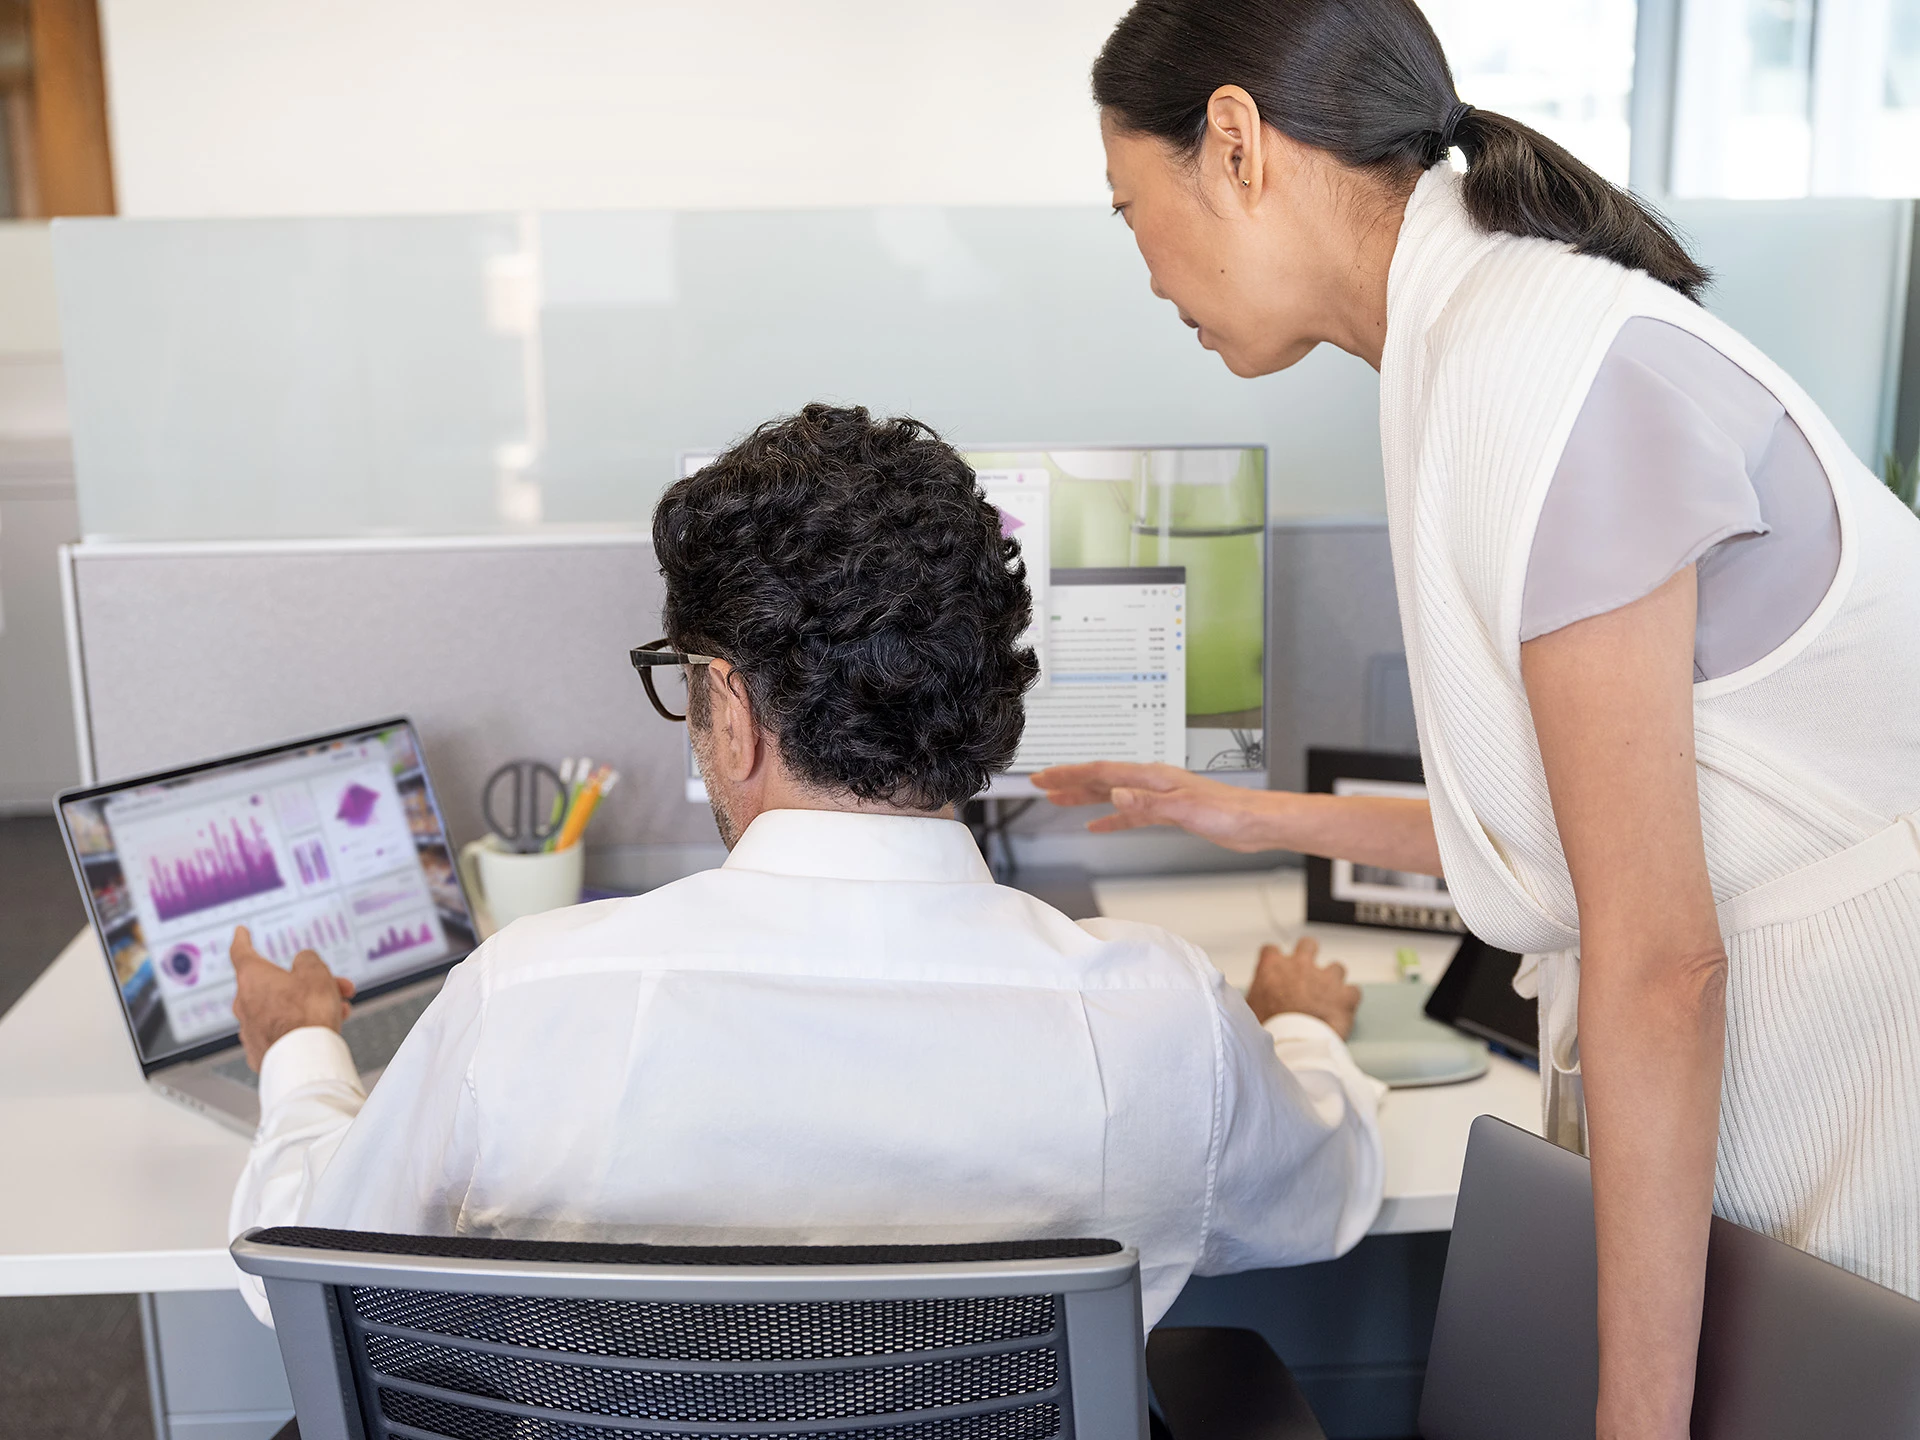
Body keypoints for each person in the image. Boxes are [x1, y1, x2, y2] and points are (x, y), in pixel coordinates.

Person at [1037, 2, 1920, 1434]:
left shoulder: (1536, 365)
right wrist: (1233, 812)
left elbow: (1659, 964)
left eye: (1132, 209)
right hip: (1778, 1055)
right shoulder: (1477, 336)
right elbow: (1589, 819)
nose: (1147, 273)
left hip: (1861, 1075)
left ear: (1239, 143)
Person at [227, 402, 1385, 1326]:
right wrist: (1299, 1032)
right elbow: (1316, 1203)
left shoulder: (529, 1002)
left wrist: (303, 1057)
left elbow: (298, 1269)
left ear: (731, 711)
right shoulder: (1160, 1020)